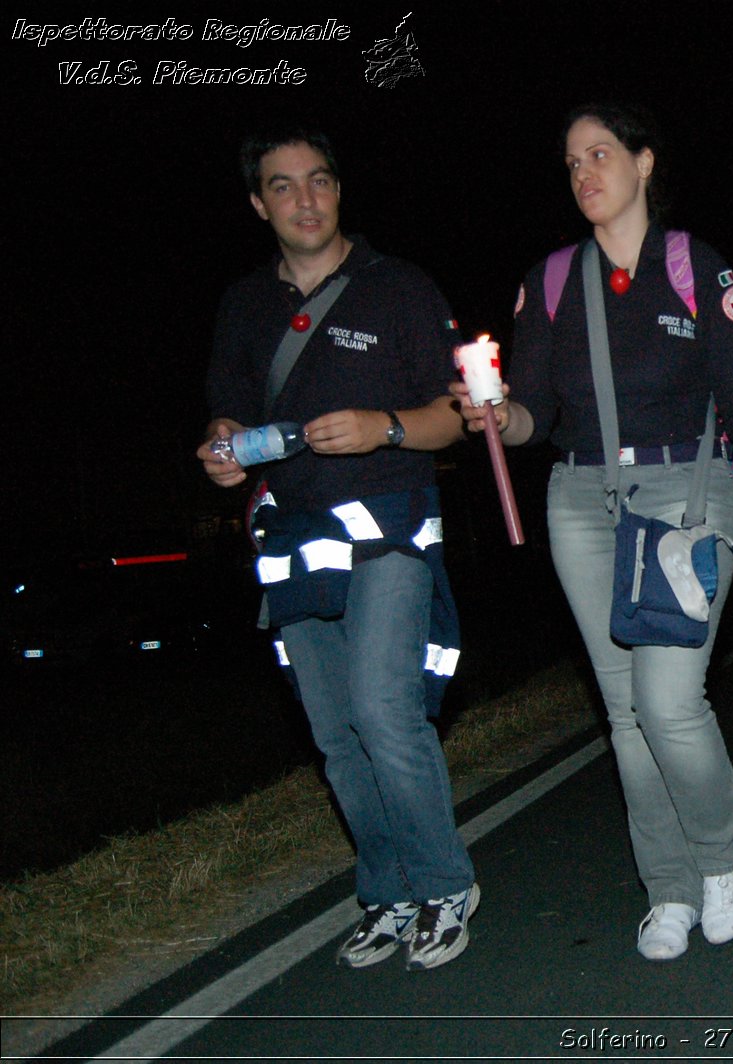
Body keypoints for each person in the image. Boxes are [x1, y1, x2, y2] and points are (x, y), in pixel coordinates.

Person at [457, 103, 733, 962]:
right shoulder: (549, 281)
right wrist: (497, 416)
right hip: (582, 502)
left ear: (644, 163)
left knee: (669, 703)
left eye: (600, 154)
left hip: (686, 494)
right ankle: (670, 888)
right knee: (623, 714)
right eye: (571, 161)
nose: (584, 174)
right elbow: (536, 414)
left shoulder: (693, 266)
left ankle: (724, 857)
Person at [197, 128, 478, 971]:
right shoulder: (243, 306)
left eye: (318, 181)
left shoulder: (399, 288)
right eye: (283, 187)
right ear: (260, 204)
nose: (306, 200)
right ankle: (388, 890)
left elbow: (452, 413)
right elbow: (229, 426)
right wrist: (221, 451)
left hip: (387, 525)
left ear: (339, 190)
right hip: (290, 537)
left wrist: (381, 428)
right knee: (333, 731)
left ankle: (444, 881)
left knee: (382, 710)